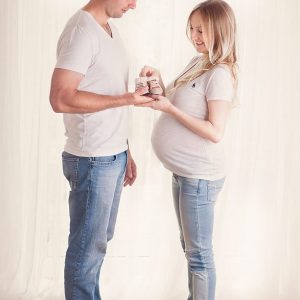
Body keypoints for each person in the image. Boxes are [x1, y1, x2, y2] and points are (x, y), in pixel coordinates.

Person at [49, 0, 152, 299]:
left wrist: (125, 150)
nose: (134, 5)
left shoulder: (108, 29)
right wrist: (128, 99)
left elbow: (107, 91)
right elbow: (60, 98)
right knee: (86, 250)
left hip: (111, 155)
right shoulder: (81, 31)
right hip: (92, 158)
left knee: (96, 244)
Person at [137, 1, 237, 299]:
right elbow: (174, 99)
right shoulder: (199, 61)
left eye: (202, 30)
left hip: (200, 178)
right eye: (192, 29)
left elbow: (215, 132)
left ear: (220, 30)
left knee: (199, 256)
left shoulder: (220, 73)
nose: (195, 36)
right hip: (183, 174)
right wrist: (157, 80)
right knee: (190, 247)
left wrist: (169, 108)